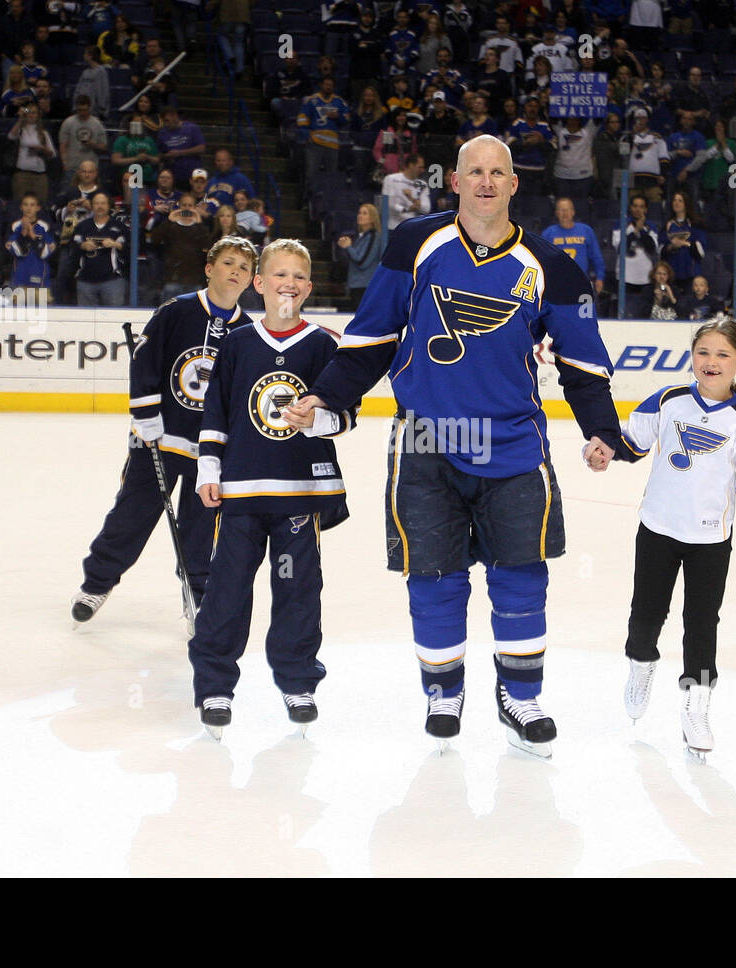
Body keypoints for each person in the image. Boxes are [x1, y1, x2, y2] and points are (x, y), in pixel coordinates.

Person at [284, 135, 624, 757]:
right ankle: (445, 691)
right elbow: (373, 335)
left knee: (522, 577)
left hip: (515, 445)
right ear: (457, 181)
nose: (488, 182)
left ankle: (520, 696)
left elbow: (582, 361)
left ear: (515, 183)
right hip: (427, 442)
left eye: (499, 172)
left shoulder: (555, 266)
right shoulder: (416, 243)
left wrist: (601, 429)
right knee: (432, 578)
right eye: (476, 172)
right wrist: (328, 397)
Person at [188, 239, 357, 737]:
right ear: (258, 284)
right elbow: (215, 411)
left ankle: (297, 679)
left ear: (308, 287)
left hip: (298, 496)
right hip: (242, 493)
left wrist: (317, 418)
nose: (288, 283)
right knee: (227, 591)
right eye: (277, 274)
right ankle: (215, 684)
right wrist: (208, 469)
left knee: (299, 589)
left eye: (298, 276)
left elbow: (347, 414)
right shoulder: (238, 343)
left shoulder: (325, 345)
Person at [72, 236, 258, 625]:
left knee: (202, 529)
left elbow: (242, 394)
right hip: (158, 439)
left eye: (243, 267)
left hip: (209, 453)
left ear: (251, 280)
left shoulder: (247, 332)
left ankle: (197, 595)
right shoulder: (177, 311)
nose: (235, 271)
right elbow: (145, 362)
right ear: (209, 269)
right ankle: (96, 583)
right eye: (228, 263)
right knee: (133, 514)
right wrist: (146, 415)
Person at [616, 315, 736, 760]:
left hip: (710, 539)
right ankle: (641, 666)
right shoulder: (668, 400)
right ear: (692, 358)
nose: (711, 361)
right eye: (703, 352)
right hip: (657, 530)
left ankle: (696, 703)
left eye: (723, 354)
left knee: (702, 623)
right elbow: (632, 443)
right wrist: (602, 449)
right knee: (646, 614)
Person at [150, 192, 214, 299]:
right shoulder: (171, 225)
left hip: (194, 280)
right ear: (179, 206)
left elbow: (208, 246)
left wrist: (199, 223)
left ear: (195, 207)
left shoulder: (199, 227)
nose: (187, 208)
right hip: (172, 278)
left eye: (190, 206)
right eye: (184, 205)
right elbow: (155, 239)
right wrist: (169, 220)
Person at [72, 193, 128, 306]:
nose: (100, 206)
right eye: (96, 203)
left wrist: (117, 245)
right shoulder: (82, 226)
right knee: (86, 320)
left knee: (113, 319)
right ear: (91, 206)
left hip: (113, 281)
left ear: (109, 206)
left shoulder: (119, 227)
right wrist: (82, 246)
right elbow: (71, 250)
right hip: (85, 281)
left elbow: (130, 250)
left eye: (103, 203)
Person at [542, 197, 604, 298]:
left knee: (584, 313)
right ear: (556, 213)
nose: (565, 213)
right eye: (561, 210)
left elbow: (596, 257)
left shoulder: (586, 230)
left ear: (573, 212)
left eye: (568, 209)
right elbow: (542, 260)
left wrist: (600, 278)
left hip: (581, 283)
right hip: (556, 285)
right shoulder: (548, 233)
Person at [613, 194, 660, 318]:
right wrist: (634, 232)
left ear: (646, 209)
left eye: (641, 206)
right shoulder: (620, 224)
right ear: (630, 207)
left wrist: (642, 231)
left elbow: (652, 249)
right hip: (625, 278)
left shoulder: (651, 227)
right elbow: (620, 248)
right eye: (635, 206)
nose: (638, 209)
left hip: (646, 278)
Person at [6, 103, 58, 203]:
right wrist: (20, 120)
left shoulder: (43, 133)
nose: (31, 115)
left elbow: (53, 154)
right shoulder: (21, 131)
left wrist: (43, 150)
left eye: (34, 113)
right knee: (20, 203)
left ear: (38, 115)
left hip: (40, 175)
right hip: (22, 174)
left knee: (41, 204)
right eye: (28, 112)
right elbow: (11, 137)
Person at [336, 202, 384, 310]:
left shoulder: (373, 237)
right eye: (359, 213)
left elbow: (362, 262)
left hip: (364, 286)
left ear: (372, 218)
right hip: (356, 285)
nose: (360, 216)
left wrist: (348, 247)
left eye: (364, 213)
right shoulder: (362, 237)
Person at [59, 95, 109, 176]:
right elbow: (63, 145)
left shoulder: (97, 124)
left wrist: (93, 145)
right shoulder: (68, 123)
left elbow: (104, 147)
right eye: (79, 110)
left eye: (85, 110)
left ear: (89, 108)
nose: (82, 113)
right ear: (76, 108)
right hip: (72, 167)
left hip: (90, 168)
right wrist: (64, 163)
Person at [381, 153, 431, 230]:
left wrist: (411, 199)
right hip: (394, 227)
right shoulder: (391, 179)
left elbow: (426, 208)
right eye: (420, 167)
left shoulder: (422, 184)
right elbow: (390, 204)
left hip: (413, 228)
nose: (422, 170)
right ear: (411, 165)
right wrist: (408, 209)